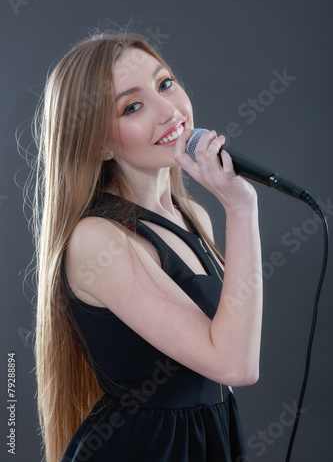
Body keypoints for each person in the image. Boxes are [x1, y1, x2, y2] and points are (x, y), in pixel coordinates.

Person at [32, 31, 263, 462]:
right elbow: (235, 365)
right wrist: (243, 209)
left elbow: (228, 359)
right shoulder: (99, 240)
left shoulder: (193, 214)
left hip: (208, 439)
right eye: (132, 106)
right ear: (99, 143)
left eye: (165, 83)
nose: (169, 111)